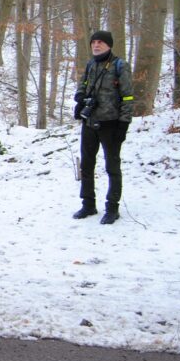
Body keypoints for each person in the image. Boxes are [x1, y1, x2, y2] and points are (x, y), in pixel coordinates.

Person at [73, 30, 134, 225]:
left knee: (112, 166)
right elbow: (82, 86)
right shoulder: (91, 64)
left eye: (101, 42)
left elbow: (128, 96)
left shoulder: (120, 65)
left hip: (111, 124)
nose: (96, 45)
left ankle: (112, 207)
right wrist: (80, 100)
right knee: (87, 165)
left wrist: (124, 123)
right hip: (90, 123)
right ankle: (88, 204)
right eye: (94, 42)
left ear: (109, 45)